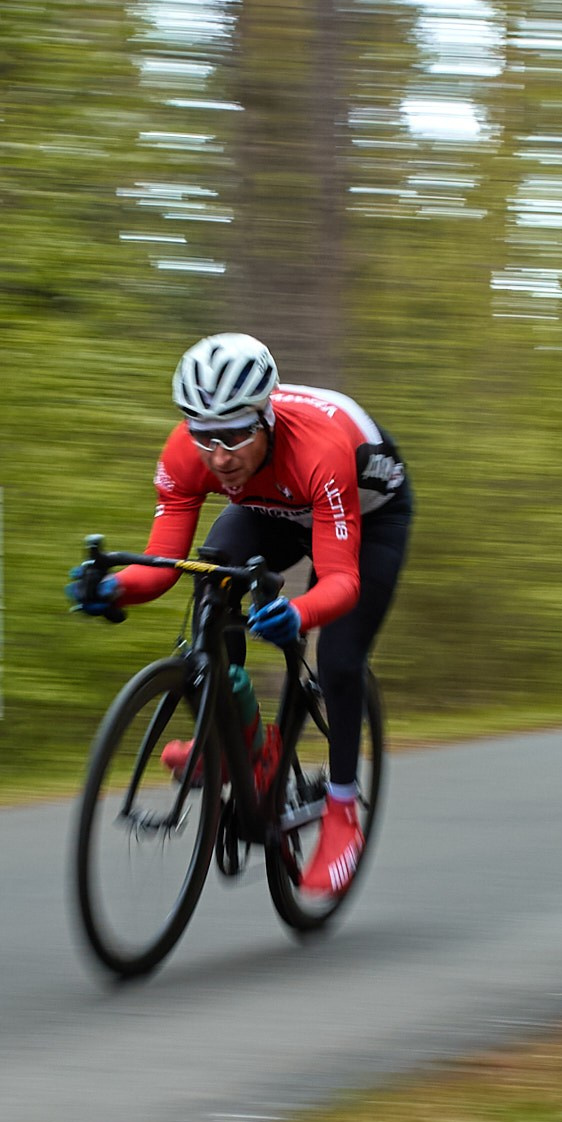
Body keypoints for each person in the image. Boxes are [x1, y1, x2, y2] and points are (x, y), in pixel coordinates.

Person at [66, 333, 410, 896]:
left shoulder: (318, 447)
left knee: (341, 658)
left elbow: (342, 581)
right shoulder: (189, 451)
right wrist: (110, 589)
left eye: (233, 435)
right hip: (273, 506)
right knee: (213, 575)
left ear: (265, 417)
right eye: (203, 436)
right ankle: (246, 745)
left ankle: (344, 811)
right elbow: (161, 569)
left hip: (367, 515)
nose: (218, 456)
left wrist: (296, 613)